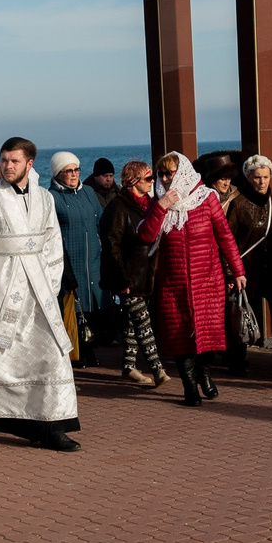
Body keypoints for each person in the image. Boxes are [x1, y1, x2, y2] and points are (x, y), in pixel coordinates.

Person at [0, 137, 82, 451]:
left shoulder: (44, 198)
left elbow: (54, 244)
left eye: (14, 161)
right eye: (3, 160)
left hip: (39, 291)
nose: (7, 166)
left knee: (50, 356)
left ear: (30, 164)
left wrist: (50, 283)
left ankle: (51, 425)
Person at [140, 151, 245, 407]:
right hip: (172, 283)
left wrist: (238, 270)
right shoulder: (158, 202)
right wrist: (162, 206)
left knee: (210, 336)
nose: (164, 178)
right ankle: (189, 387)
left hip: (208, 281)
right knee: (179, 337)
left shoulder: (206, 197)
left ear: (182, 172)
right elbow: (145, 236)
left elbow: (225, 236)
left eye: (169, 173)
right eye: (161, 174)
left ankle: (204, 374)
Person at [222, 153, 272, 382]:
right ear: (248, 178)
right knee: (244, 316)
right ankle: (237, 363)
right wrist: (231, 273)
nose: (262, 182)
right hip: (247, 272)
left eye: (265, 177)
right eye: (257, 177)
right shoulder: (238, 204)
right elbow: (228, 240)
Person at [101, 158, 164, 387]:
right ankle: (158, 369)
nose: (152, 182)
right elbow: (112, 245)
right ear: (134, 181)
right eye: (148, 178)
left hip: (145, 273)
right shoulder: (118, 207)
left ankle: (128, 367)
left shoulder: (148, 205)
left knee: (131, 322)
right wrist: (121, 278)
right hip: (127, 275)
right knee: (142, 320)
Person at [48, 151, 105, 363]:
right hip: (70, 260)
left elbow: (100, 220)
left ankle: (90, 349)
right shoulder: (52, 197)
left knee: (92, 306)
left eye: (76, 169)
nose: (73, 174)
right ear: (57, 174)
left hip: (93, 260)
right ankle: (75, 353)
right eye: (68, 171)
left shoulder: (89, 192)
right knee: (72, 307)